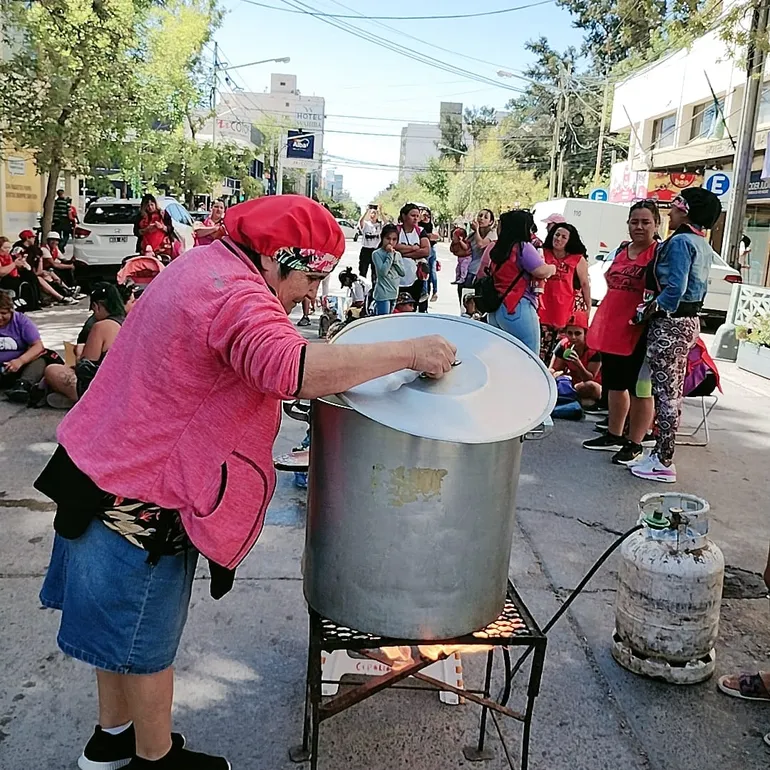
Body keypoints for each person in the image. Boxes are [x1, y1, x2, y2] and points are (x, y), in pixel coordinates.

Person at [34, 196, 456, 770]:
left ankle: (111, 741)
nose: (312, 293)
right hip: (139, 500)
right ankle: (153, 760)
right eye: (310, 277)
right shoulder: (235, 294)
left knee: (117, 634)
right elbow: (291, 369)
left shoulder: (202, 264)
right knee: (144, 641)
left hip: (100, 469)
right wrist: (409, 350)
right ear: (278, 257)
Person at [630, 186, 721, 483]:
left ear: (686, 211)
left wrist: (647, 312)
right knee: (671, 392)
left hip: (671, 323)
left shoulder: (681, 242)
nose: (671, 212)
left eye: (676, 206)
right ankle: (660, 453)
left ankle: (663, 459)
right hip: (688, 321)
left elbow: (674, 289)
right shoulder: (701, 242)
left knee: (666, 394)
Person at [583, 200, 660, 465]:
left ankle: (635, 442)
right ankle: (614, 434)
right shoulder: (621, 250)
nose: (639, 226)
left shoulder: (659, 253)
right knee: (614, 384)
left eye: (645, 222)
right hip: (611, 326)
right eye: (634, 221)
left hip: (640, 330)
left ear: (656, 224)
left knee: (640, 388)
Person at [482, 209, 556, 353]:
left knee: (501, 358)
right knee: (529, 358)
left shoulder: (498, 248)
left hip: (495, 310)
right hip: (517, 307)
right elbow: (540, 271)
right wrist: (552, 268)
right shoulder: (523, 247)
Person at [44, 284, 126, 409]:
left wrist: (79, 353)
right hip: (126, 387)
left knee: (52, 370)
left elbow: (85, 369)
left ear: (96, 306)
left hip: (104, 389)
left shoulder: (101, 327)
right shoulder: (129, 321)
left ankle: (79, 402)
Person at [538, 223, 591, 363]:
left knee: (559, 353)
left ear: (569, 240)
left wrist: (588, 307)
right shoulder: (542, 253)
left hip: (567, 312)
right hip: (543, 309)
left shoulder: (578, 259)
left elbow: (585, 284)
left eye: (563, 237)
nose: (559, 239)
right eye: (557, 235)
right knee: (540, 349)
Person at [0, 290, 47, 402]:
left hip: (19, 367)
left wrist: (20, 361)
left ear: (11, 311)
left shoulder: (21, 321)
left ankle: (22, 386)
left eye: (3, 313)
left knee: (42, 359)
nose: (0, 317)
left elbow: (38, 346)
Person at [549, 310, 602, 406]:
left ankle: (570, 398)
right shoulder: (563, 345)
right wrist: (553, 374)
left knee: (591, 386)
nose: (573, 337)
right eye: (569, 333)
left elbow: (589, 378)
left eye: (577, 333)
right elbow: (554, 368)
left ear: (585, 333)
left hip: (592, 385)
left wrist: (578, 364)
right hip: (571, 383)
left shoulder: (593, 350)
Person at [395, 202, 430, 311]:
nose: (415, 218)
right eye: (412, 215)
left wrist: (403, 253)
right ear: (404, 216)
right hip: (396, 278)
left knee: (412, 307)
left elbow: (426, 250)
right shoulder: (396, 230)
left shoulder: (420, 231)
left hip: (415, 278)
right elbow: (391, 246)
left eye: (417, 216)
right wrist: (413, 248)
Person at [371, 223, 405, 315]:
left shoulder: (397, 254)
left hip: (394, 292)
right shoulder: (376, 254)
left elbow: (402, 272)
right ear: (382, 238)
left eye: (394, 239)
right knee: (383, 319)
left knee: (390, 318)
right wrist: (390, 255)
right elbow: (383, 272)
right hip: (383, 293)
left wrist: (395, 260)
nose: (390, 242)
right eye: (388, 238)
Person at [134, 194, 175, 259]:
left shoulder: (162, 214)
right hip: (146, 248)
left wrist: (162, 227)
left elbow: (171, 229)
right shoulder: (140, 217)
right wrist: (146, 230)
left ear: (155, 204)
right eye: (147, 206)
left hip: (163, 248)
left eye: (152, 205)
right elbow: (136, 232)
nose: (150, 207)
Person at [465, 208, 496, 288]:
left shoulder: (492, 234)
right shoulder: (472, 235)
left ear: (491, 222)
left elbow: (481, 244)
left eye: (486, 217)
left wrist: (477, 230)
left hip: (480, 274)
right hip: (468, 271)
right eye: (480, 216)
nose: (481, 218)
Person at [357, 205, 383, 279]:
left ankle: (374, 288)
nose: (373, 215)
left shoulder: (379, 225)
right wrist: (366, 211)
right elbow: (360, 221)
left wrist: (381, 212)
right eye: (372, 213)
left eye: (375, 213)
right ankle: (362, 287)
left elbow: (386, 222)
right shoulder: (366, 224)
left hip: (376, 250)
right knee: (363, 271)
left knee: (375, 272)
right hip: (366, 249)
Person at [420, 207, 440, 302]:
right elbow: (434, 236)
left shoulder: (421, 226)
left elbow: (435, 236)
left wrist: (427, 236)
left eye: (428, 215)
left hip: (427, 250)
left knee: (426, 271)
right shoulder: (429, 225)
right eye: (424, 215)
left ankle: (426, 291)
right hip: (431, 248)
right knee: (431, 271)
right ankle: (434, 291)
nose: (426, 217)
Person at [450, 227, 472, 296]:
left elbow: (466, 248)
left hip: (466, 258)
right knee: (457, 269)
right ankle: (457, 278)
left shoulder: (464, 242)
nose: (453, 238)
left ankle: (462, 278)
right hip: (460, 259)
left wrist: (460, 241)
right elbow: (451, 249)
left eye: (454, 237)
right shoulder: (454, 244)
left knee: (463, 267)